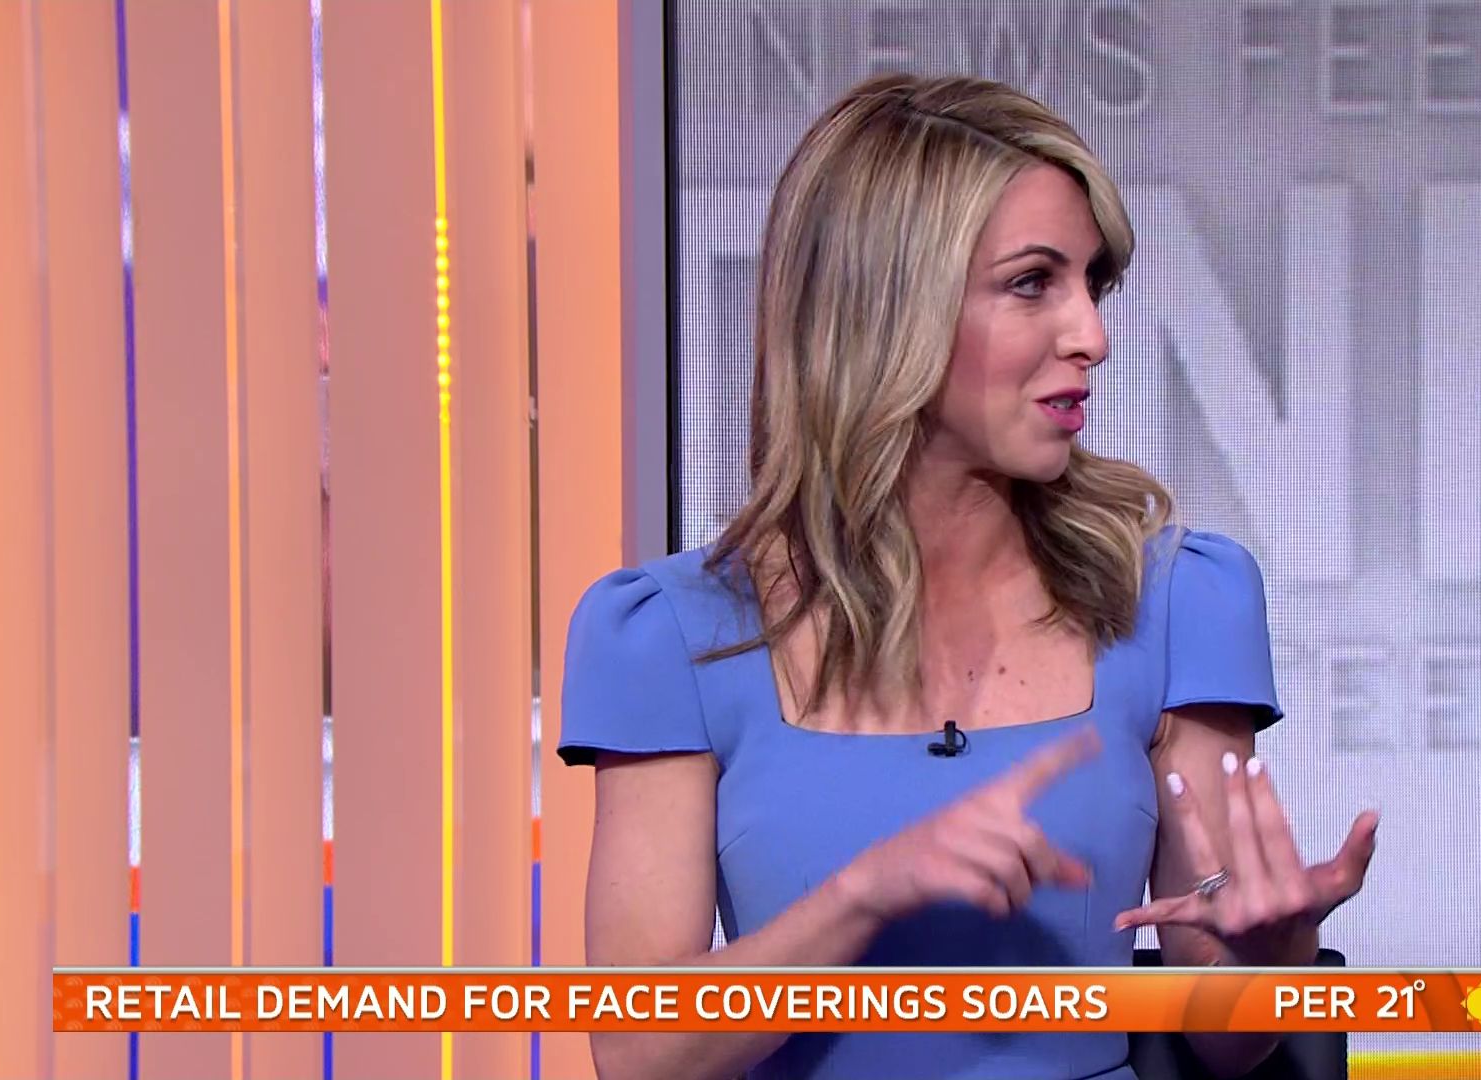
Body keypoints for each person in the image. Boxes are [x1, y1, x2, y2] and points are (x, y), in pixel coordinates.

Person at [558, 72, 1380, 1080]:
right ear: (885, 309)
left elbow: (1226, 1034)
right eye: (1033, 283)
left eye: (1092, 285)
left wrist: (1269, 957)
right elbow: (641, 1052)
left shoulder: (1174, 602)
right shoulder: (671, 636)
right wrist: (867, 892)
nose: (1092, 337)